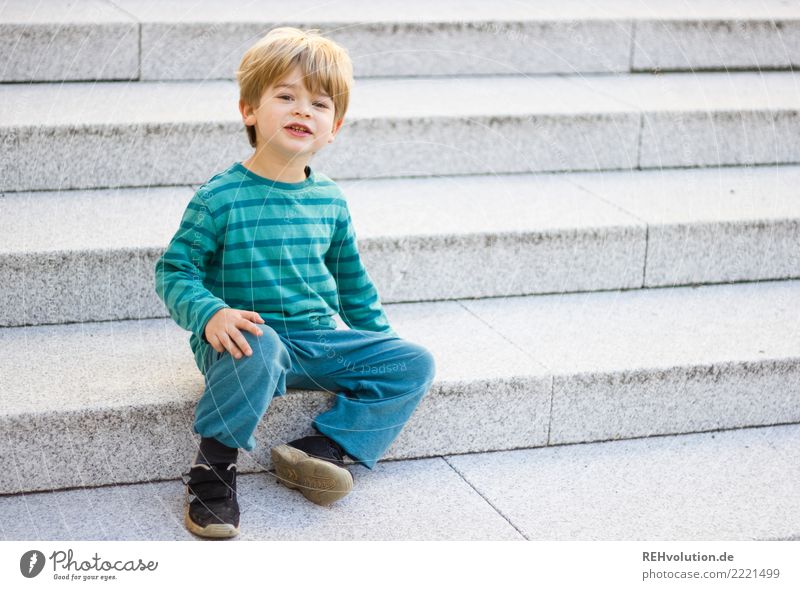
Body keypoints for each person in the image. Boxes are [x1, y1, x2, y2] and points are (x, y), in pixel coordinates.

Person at [154, 27, 436, 539]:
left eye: (319, 104)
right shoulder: (220, 197)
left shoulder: (329, 199)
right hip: (244, 340)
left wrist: (379, 341)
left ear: (336, 127)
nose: (303, 110)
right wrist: (209, 313)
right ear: (249, 110)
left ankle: (319, 451)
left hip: (313, 340)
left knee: (414, 361)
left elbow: (352, 282)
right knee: (261, 346)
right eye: (286, 96)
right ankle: (212, 469)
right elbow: (174, 271)